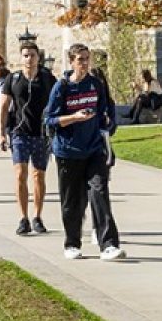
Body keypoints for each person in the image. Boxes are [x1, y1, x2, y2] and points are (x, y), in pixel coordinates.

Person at [46, 44, 124, 261]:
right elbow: (50, 120)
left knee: (99, 192)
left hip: (93, 149)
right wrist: (74, 117)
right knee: (72, 202)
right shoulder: (61, 88)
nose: (84, 63)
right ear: (71, 62)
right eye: (80, 59)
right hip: (68, 152)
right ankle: (72, 243)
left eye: (86, 59)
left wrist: (107, 125)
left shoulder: (95, 84)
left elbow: (104, 112)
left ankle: (108, 244)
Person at [0, 43, 57, 236]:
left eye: (32, 55)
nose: (29, 59)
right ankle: (23, 218)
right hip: (19, 133)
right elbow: (4, 106)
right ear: (21, 58)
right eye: (25, 55)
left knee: (38, 176)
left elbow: (58, 102)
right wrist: (0, 133)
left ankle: (37, 216)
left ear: (38, 57)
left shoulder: (47, 78)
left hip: (41, 134)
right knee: (20, 174)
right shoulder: (13, 79)